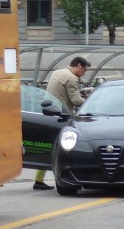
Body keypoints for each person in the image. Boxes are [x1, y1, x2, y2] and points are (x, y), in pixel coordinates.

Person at [37, 55, 92, 190]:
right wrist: (93, 103)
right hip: (63, 116)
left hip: (49, 113)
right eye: (84, 70)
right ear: (79, 66)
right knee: (68, 149)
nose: (83, 73)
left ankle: (38, 180)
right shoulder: (72, 78)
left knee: (49, 147)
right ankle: (70, 179)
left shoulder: (57, 72)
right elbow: (76, 100)